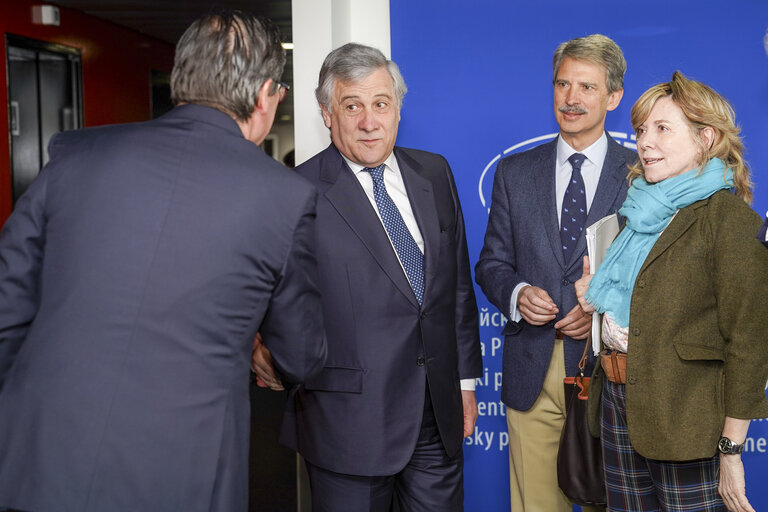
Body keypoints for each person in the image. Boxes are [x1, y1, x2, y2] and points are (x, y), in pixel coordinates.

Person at [0, 11, 326, 512]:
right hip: (184, 475)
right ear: (265, 95)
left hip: (40, 458)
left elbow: (7, 308)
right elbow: (301, 351)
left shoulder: (75, 154)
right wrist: (268, 360)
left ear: (180, 80)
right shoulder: (283, 196)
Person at [275, 43, 483, 511]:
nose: (370, 121)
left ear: (398, 108)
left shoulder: (435, 171)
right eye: (353, 106)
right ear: (328, 114)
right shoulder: (295, 194)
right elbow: (283, 310)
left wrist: (464, 385)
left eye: (381, 104)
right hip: (347, 424)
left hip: (436, 417)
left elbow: (455, 290)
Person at [575, 71, 768, 512]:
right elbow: (639, 306)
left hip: (687, 421)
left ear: (706, 137)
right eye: (642, 129)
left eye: (663, 129)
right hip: (618, 407)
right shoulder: (634, 214)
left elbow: (749, 342)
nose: (645, 142)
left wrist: (731, 448)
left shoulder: (730, 220)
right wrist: (596, 298)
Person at [475, 34, 635, 511]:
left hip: (613, 375)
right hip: (534, 370)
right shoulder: (514, 172)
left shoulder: (641, 175)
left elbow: (654, 277)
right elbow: (491, 264)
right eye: (563, 84)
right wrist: (517, 291)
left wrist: (603, 315)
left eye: (587, 87)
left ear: (613, 97)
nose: (571, 98)